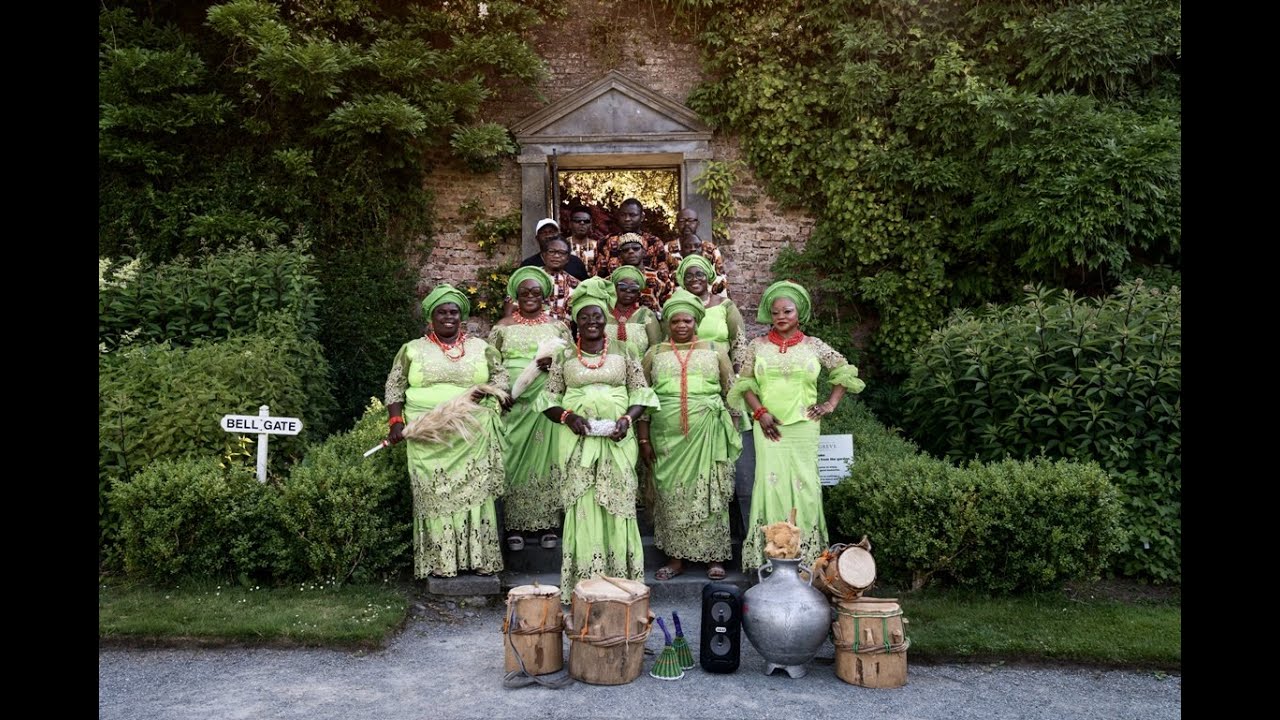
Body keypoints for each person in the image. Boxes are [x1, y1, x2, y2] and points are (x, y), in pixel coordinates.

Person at [728, 280, 866, 572]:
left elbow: (844, 371)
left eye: (787, 311)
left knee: (805, 487)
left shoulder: (814, 345)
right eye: (775, 312)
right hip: (768, 428)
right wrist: (760, 412)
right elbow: (745, 384)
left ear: (798, 313)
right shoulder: (757, 346)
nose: (781, 316)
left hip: (804, 427)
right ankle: (769, 559)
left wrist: (830, 404)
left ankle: (807, 559)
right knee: (769, 485)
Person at [537, 277, 659, 602]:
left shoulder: (625, 349)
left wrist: (627, 419)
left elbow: (642, 392)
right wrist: (569, 417)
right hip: (579, 443)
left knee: (618, 505)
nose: (592, 322)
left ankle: (623, 584)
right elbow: (548, 401)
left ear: (606, 317)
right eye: (585, 316)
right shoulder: (564, 357)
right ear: (576, 319)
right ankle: (585, 583)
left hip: (618, 440)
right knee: (584, 505)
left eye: (597, 315)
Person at [384, 284, 509, 578]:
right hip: (427, 435)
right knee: (435, 495)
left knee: (475, 495)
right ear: (431, 317)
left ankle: (477, 559)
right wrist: (396, 422)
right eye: (442, 312)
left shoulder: (482, 348)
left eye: (454, 312)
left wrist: (488, 396)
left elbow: (502, 380)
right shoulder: (412, 350)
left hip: (471, 435)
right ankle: (441, 562)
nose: (448, 317)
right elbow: (394, 385)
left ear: (461, 317)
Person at [638, 288, 741, 581]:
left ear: (696, 322)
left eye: (687, 321)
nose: (681, 326)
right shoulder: (654, 354)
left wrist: (731, 431)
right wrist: (643, 439)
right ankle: (675, 558)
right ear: (667, 324)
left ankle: (714, 557)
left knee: (710, 494)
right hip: (666, 438)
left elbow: (731, 392)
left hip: (708, 434)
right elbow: (642, 398)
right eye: (675, 322)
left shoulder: (714, 350)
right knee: (671, 495)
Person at [488, 267, 574, 550]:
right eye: (524, 292)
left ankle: (547, 523)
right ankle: (514, 526)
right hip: (514, 403)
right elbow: (491, 365)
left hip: (546, 404)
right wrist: (500, 391)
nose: (529, 297)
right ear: (515, 295)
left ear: (545, 296)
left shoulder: (557, 327)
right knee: (512, 459)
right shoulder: (501, 328)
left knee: (548, 458)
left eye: (535, 292)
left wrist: (556, 365)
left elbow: (573, 360)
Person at [673, 254, 748, 373]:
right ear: (683, 280)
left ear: (707, 276)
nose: (694, 279)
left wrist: (738, 374)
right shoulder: (676, 308)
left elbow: (739, 343)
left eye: (699, 274)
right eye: (689, 276)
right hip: (686, 371)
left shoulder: (725, 305)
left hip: (721, 370)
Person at [591, 198, 671, 290]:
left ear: (642, 217)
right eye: (623, 215)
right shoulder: (604, 242)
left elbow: (663, 276)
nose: (627, 219)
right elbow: (597, 276)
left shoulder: (654, 243)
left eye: (632, 215)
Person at [509, 235, 580, 323]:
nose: (556, 255)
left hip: (563, 334)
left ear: (567, 258)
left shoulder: (576, 285)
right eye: (551, 251)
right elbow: (510, 308)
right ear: (543, 255)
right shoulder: (528, 278)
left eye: (561, 252)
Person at [666, 208, 728, 297]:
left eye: (691, 221)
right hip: (678, 300)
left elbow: (720, 278)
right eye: (682, 221)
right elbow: (663, 279)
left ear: (697, 224)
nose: (687, 224)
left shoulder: (710, 249)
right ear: (676, 224)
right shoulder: (668, 249)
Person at [606, 265, 662, 358]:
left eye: (633, 290)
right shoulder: (603, 314)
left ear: (638, 294)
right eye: (623, 288)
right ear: (614, 289)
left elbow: (655, 349)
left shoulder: (646, 315)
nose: (628, 292)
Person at [520, 218, 589, 281]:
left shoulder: (576, 263)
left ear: (559, 235)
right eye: (544, 233)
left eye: (552, 232)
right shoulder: (528, 265)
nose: (548, 236)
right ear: (537, 238)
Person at [565, 205, 599, 271]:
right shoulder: (563, 246)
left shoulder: (597, 246)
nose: (582, 223)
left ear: (591, 224)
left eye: (586, 221)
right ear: (570, 223)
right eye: (577, 220)